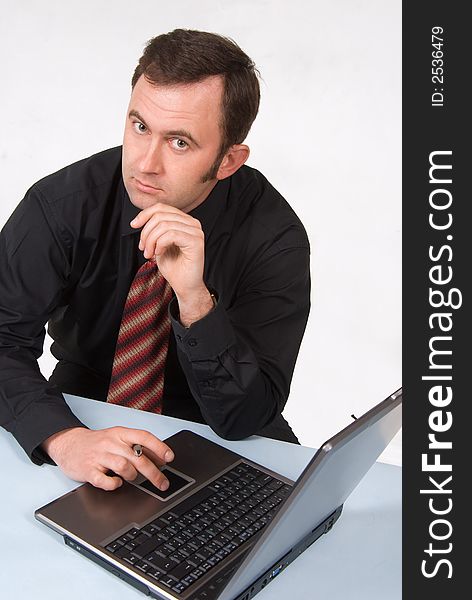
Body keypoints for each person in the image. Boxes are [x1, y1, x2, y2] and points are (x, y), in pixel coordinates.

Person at [0, 29, 310, 493]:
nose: (146, 163)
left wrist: (194, 299)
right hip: (90, 405)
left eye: (180, 142)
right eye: (140, 126)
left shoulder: (273, 238)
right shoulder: (62, 206)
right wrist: (64, 438)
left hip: (220, 423)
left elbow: (247, 414)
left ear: (228, 160)